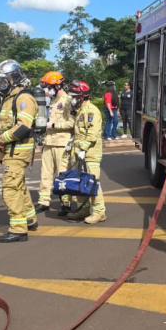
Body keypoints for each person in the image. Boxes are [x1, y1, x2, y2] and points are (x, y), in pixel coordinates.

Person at [0, 60, 38, 243]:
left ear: (13, 79)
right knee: (19, 186)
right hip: (11, 150)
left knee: (10, 189)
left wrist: (2, 139)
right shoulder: (10, 98)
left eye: (3, 80)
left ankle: (18, 229)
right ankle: (29, 219)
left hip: (18, 151)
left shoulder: (23, 98)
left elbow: (24, 127)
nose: (0, 84)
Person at [67, 80, 106, 225]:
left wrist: (83, 148)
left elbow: (92, 133)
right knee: (80, 183)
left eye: (74, 96)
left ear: (82, 97)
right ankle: (83, 209)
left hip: (89, 154)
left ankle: (99, 212)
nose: (72, 99)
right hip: (78, 153)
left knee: (92, 183)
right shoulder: (80, 111)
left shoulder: (92, 111)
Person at [35, 71, 73, 214]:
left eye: (48, 86)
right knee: (45, 174)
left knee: (63, 175)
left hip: (62, 143)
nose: (46, 90)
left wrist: (54, 125)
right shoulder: (53, 101)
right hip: (49, 142)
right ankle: (43, 201)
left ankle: (66, 203)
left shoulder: (67, 101)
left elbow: (72, 122)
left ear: (57, 86)